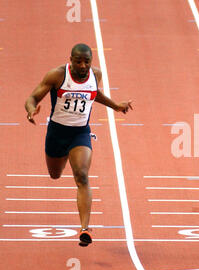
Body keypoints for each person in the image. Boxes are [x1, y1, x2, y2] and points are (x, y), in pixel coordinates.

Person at [25, 43, 133, 247]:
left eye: (87, 61)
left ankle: (85, 229)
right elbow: (32, 97)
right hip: (57, 133)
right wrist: (31, 110)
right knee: (55, 175)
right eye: (78, 61)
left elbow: (94, 93)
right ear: (71, 60)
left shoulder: (96, 74)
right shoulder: (57, 75)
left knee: (82, 175)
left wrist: (115, 106)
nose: (83, 65)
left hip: (80, 133)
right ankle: (65, 155)